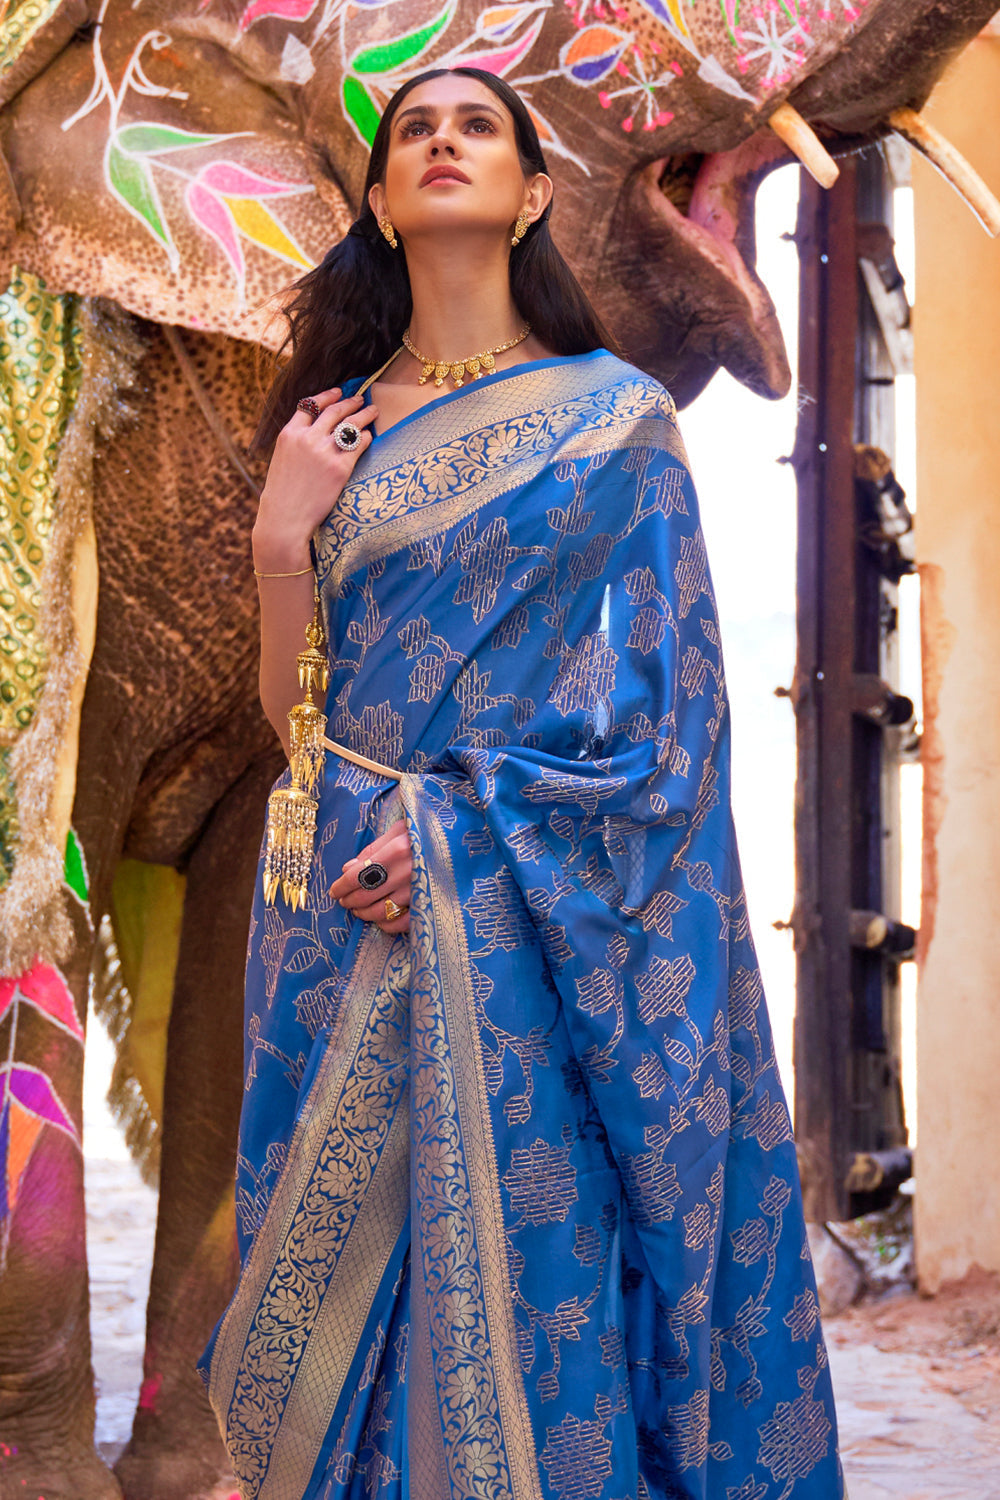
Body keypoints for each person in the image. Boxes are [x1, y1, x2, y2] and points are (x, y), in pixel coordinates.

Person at [199, 66, 845, 1500]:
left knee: (524, 1253)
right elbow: (294, 723)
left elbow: (669, 725)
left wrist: (456, 841)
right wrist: (279, 543)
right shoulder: (328, 431)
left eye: (476, 126)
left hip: (519, 915)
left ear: (535, 193)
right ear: (380, 201)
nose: (442, 140)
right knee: (336, 1303)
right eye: (414, 131)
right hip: (330, 909)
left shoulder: (616, 421)